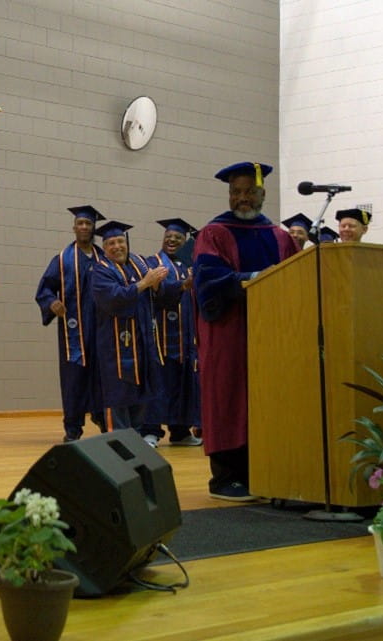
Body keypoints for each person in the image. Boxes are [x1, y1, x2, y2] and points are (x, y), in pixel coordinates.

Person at [193, 162, 297, 501]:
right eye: (236, 192)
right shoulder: (215, 233)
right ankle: (225, 478)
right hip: (228, 332)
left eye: (250, 192)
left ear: (263, 194)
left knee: (268, 396)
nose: (243, 198)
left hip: (272, 335)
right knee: (228, 396)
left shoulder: (280, 236)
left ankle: (265, 471)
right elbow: (208, 280)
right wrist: (255, 279)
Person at [91, 221, 174, 436]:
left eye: (120, 241)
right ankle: (117, 440)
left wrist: (157, 285)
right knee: (118, 392)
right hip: (115, 344)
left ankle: (136, 439)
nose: (117, 246)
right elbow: (112, 298)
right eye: (111, 243)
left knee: (141, 391)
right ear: (105, 247)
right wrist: (145, 283)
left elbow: (158, 293)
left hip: (143, 339)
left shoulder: (139, 262)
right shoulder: (100, 270)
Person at [35, 205, 107, 442]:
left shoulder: (103, 258)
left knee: (102, 376)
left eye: (88, 223)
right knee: (74, 378)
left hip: (101, 329)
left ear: (94, 227)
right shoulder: (63, 259)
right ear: (74, 228)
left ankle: (106, 423)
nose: (84, 227)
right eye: (80, 223)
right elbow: (45, 288)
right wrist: (51, 302)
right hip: (73, 329)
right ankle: (73, 430)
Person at [142, 218, 202, 447]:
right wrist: (182, 286)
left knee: (183, 383)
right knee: (159, 383)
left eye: (177, 238)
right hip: (160, 336)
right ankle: (151, 431)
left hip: (186, 337)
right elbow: (153, 294)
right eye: (169, 237)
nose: (172, 240)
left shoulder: (190, 267)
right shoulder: (152, 263)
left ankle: (180, 431)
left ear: (185, 241)